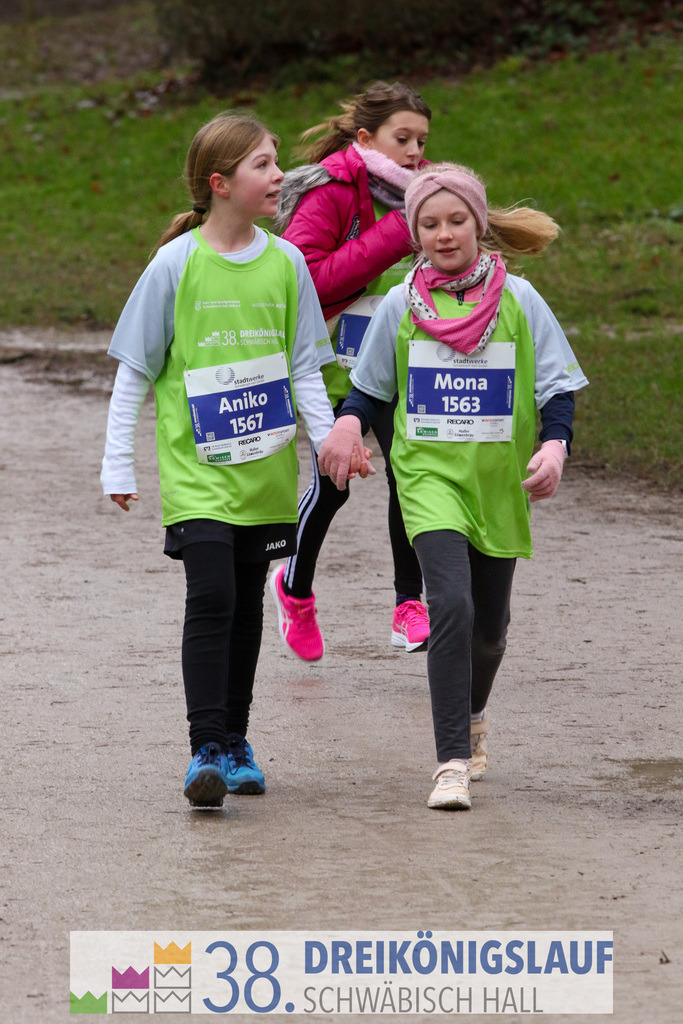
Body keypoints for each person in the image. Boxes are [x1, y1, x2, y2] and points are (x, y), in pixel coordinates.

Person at [318, 163, 588, 810]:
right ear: (414, 234)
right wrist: (348, 426)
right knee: (451, 607)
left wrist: (553, 446)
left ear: (478, 223)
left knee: (488, 631)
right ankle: (450, 763)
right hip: (428, 477)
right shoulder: (400, 304)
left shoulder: (520, 300)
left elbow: (556, 387)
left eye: (455, 221)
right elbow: (368, 386)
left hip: (497, 481)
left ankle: (471, 715)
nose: (443, 235)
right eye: (429, 225)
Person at [100, 112, 350, 808]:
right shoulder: (175, 264)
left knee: (244, 605)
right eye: (265, 166)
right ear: (221, 183)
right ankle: (204, 748)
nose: (279, 177)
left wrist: (328, 441)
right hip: (196, 473)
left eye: (276, 163)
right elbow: (134, 369)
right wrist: (117, 462)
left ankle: (236, 744)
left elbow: (304, 365)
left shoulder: (287, 261)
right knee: (210, 596)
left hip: (265, 471)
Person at [270, 81, 433, 662]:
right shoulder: (332, 189)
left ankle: (407, 603)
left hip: (397, 355)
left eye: (422, 140)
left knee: (408, 471)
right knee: (334, 481)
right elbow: (305, 282)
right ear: (366, 138)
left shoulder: (426, 193)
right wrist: (396, 234)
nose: (415, 152)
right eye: (402, 138)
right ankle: (294, 586)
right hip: (330, 359)